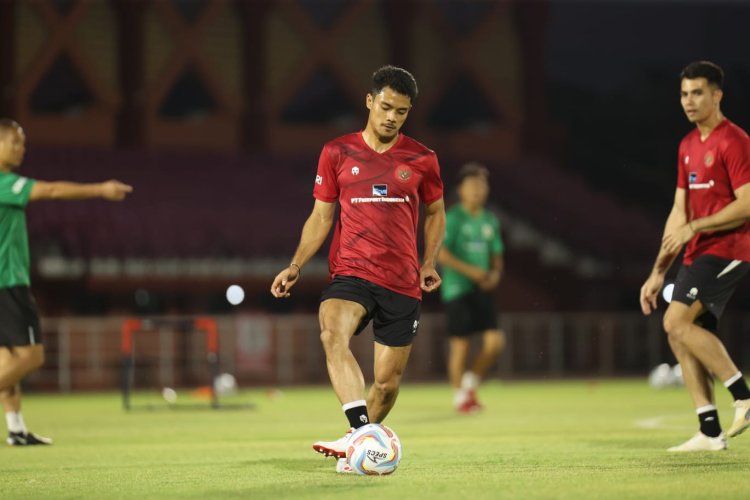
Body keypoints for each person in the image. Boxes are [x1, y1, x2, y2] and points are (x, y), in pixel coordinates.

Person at [270, 65, 445, 472]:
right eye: (385, 107)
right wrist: (296, 264)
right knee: (332, 329)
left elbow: (436, 212)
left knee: (386, 384)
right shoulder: (336, 152)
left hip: (402, 282)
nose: (391, 117)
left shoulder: (423, 159)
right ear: (369, 101)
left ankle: (359, 443)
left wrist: (429, 260)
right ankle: (362, 434)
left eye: (401, 112)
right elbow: (320, 218)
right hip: (352, 273)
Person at [0, 119, 133, 445]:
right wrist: (100, 189)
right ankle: (16, 428)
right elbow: (52, 190)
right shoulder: (5, 183)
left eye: (23, 143)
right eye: (15, 142)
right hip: (8, 281)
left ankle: (16, 429)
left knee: (6, 359)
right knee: (32, 357)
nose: (21, 148)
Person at [639, 61, 750, 452]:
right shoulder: (687, 146)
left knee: (677, 320)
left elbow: (747, 204)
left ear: (717, 95)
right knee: (679, 333)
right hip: (697, 254)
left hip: (732, 248)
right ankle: (709, 430)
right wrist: (657, 272)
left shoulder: (734, 140)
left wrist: (697, 227)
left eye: (697, 92)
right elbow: (678, 212)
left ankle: (744, 396)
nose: (689, 100)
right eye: (684, 93)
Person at [438, 162, 505, 413]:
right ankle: (460, 397)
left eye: (482, 185)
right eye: (472, 185)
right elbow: (442, 254)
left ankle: (469, 383)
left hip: (482, 289)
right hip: (457, 289)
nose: (478, 190)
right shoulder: (453, 217)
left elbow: (497, 253)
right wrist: (473, 272)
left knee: (494, 343)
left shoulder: (489, 220)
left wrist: (496, 273)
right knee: (461, 345)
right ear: (461, 189)